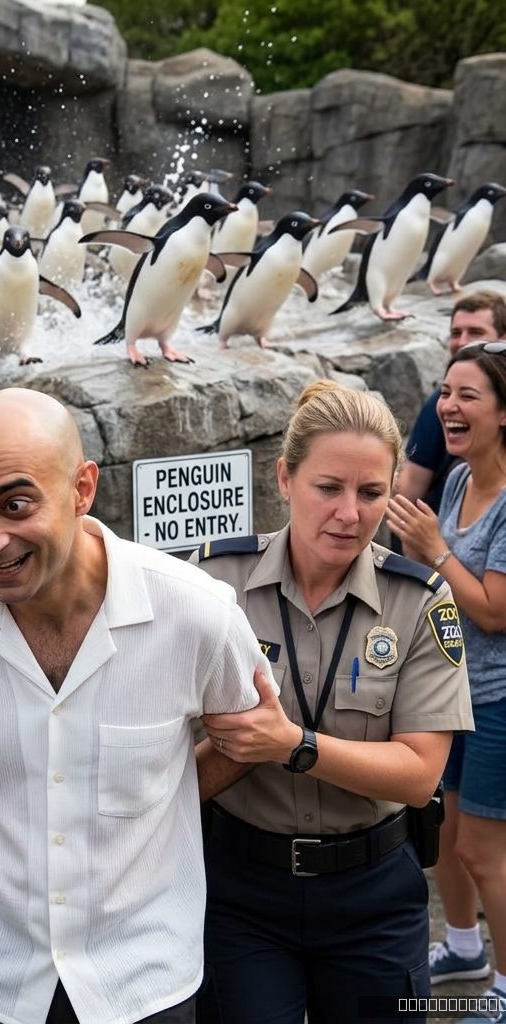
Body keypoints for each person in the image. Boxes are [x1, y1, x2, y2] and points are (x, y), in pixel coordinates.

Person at [0, 387, 276, 1024]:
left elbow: (250, 737)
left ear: (83, 489)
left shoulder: (196, 613)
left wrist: (159, 796)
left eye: (15, 504)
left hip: (142, 980)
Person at [192, 380, 473, 1024]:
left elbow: (419, 774)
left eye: (371, 493)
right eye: (328, 488)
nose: (349, 513)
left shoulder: (419, 601)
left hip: (373, 898)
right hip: (241, 893)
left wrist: (293, 746)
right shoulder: (213, 584)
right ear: (285, 479)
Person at [389, 343, 506, 1023]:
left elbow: (492, 612)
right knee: (449, 837)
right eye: (444, 391)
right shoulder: (458, 480)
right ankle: (463, 948)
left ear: (503, 413)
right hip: (454, 691)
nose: (448, 406)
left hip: (498, 700)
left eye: (467, 395)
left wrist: (432, 548)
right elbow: (436, 581)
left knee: (487, 852)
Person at [397, 291, 506, 523]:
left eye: (476, 333)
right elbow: (409, 489)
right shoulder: (459, 479)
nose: (463, 342)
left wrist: (431, 543)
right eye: (456, 333)